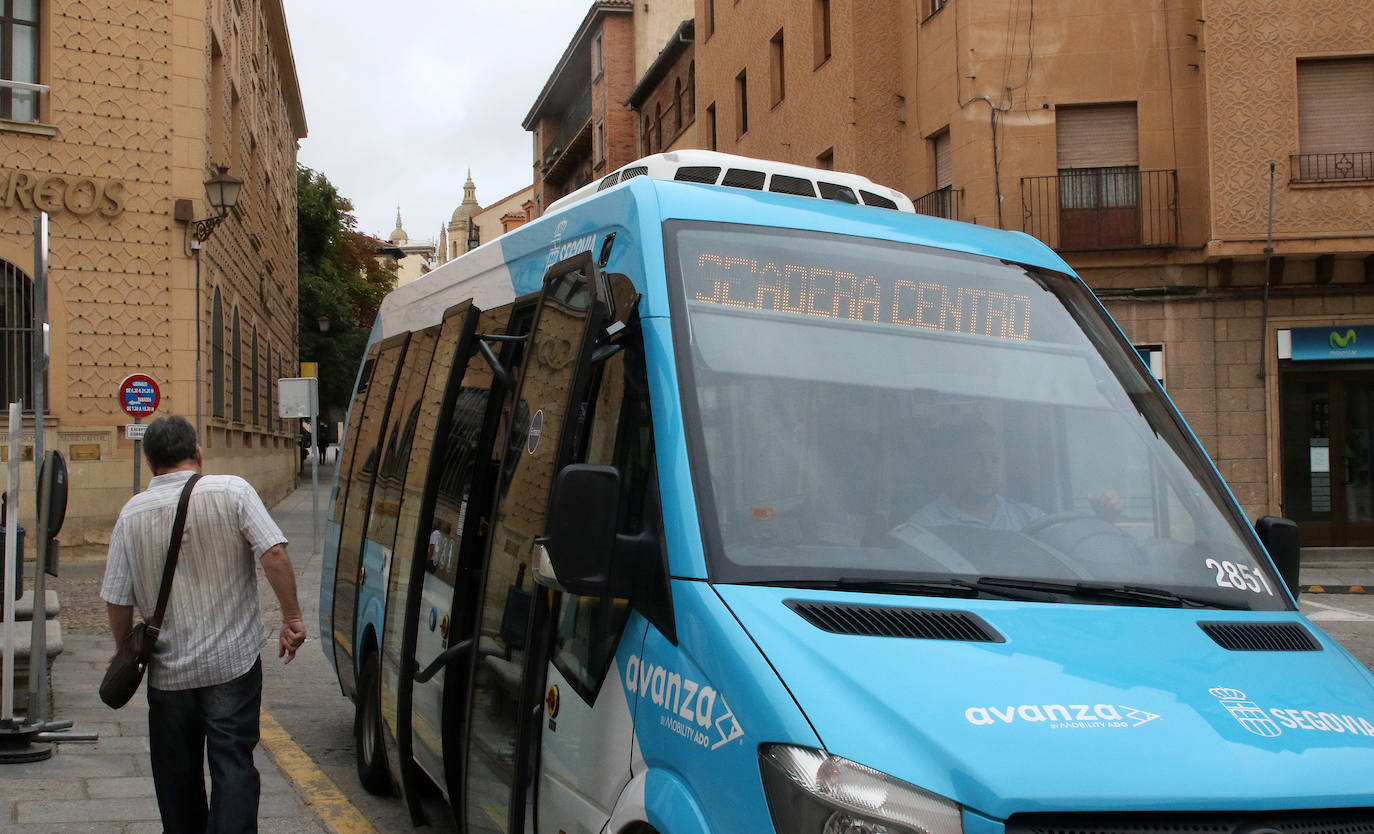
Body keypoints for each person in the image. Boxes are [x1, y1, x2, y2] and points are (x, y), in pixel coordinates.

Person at [100, 415, 307, 833]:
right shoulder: (232, 490)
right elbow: (274, 554)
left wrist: (125, 648)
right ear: (198, 453)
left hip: (169, 673)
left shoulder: (131, 514)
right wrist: (292, 617)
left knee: (176, 775)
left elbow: (117, 599)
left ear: (149, 461)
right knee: (233, 763)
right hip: (231, 662)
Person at [902, 419, 1121, 533]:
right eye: (974, 458)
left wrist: (1103, 520)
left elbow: (1071, 547)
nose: (987, 469)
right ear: (952, 464)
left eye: (994, 459)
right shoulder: (924, 526)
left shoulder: (1029, 518)